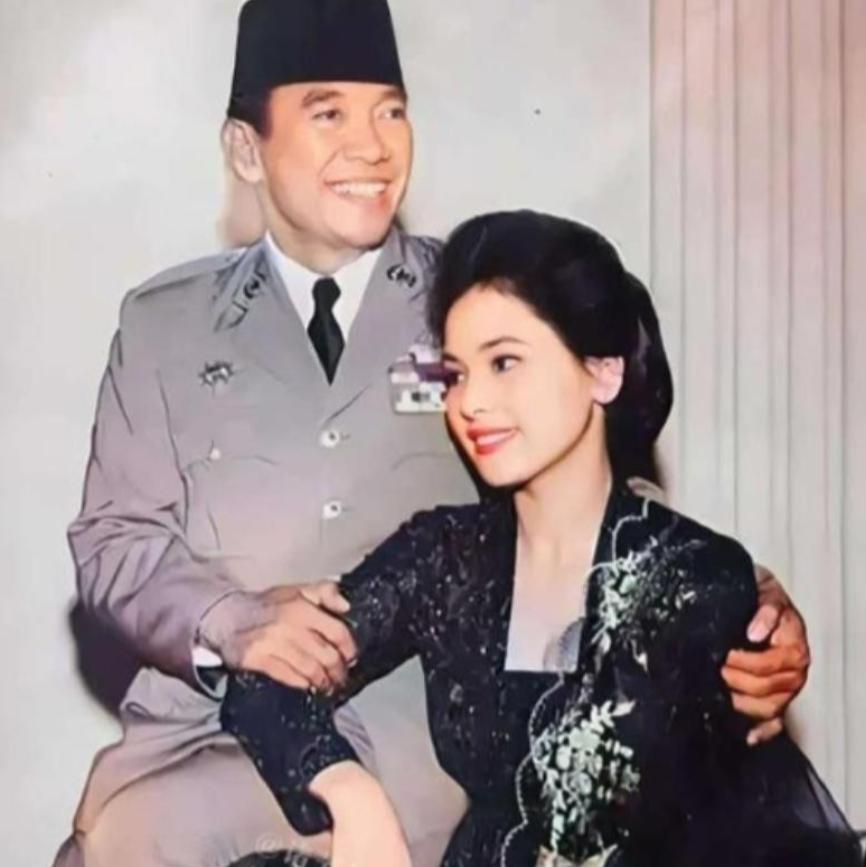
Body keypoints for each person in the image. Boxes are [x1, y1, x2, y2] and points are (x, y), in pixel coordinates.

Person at [54, 2, 808, 866]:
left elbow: (580, 471)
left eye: (392, 111)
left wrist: (749, 604)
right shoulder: (167, 324)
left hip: (415, 749)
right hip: (199, 735)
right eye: (329, 112)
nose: (372, 146)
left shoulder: (466, 304)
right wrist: (231, 620)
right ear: (245, 150)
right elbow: (113, 541)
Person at [221, 211, 859, 867]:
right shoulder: (446, 555)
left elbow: (734, 822)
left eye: (504, 362)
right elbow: (268, 679)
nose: (470, 402)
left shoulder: (693, 577)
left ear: (603, 372)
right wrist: (352, 795)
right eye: (456, 374)